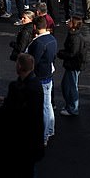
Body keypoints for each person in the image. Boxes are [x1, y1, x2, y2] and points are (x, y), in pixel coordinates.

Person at [0, 53, 44, 178]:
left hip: (18, 143)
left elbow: (11, 116)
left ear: (19, 66)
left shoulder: (19, 88)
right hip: (30, 142)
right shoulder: (35, 85)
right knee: (26, 177)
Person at [26, 16, 57, 145]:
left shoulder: (38, 43)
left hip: (40, 77)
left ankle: (44, 136)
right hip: (48, 75)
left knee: (42, 107)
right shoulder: (52, 39)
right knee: (47, 105)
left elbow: (33, 61)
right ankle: (50, 129)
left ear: (35, 27)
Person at [57, 17, 85, 116]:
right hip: (72, 65)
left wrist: (61, 54)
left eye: (70, 21)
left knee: (71, 87)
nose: (68, 22)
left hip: (74, 65)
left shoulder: (75, 38)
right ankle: (70, 105)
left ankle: (73, 108)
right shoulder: (73, 35)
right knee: (66, 85)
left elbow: (73, 53)